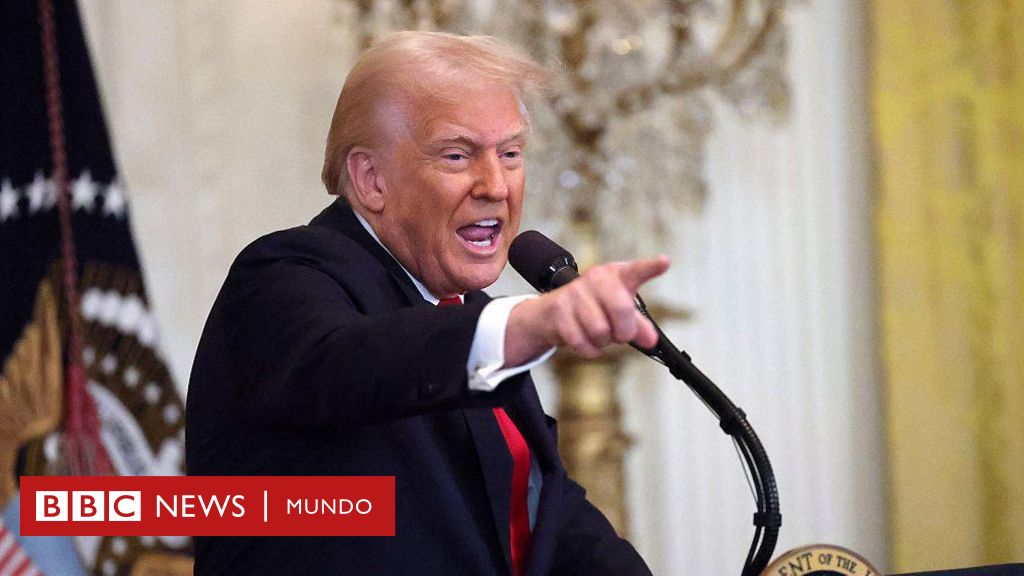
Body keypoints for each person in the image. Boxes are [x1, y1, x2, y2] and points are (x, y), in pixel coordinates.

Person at [186, 30, 666, 575]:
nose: (496, 186)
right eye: (457, 155)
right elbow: (355, 363)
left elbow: (544, 519)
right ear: (372, 180)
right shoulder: (283, 276)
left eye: (510, 154)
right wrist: (530, 323)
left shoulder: (465, 313)